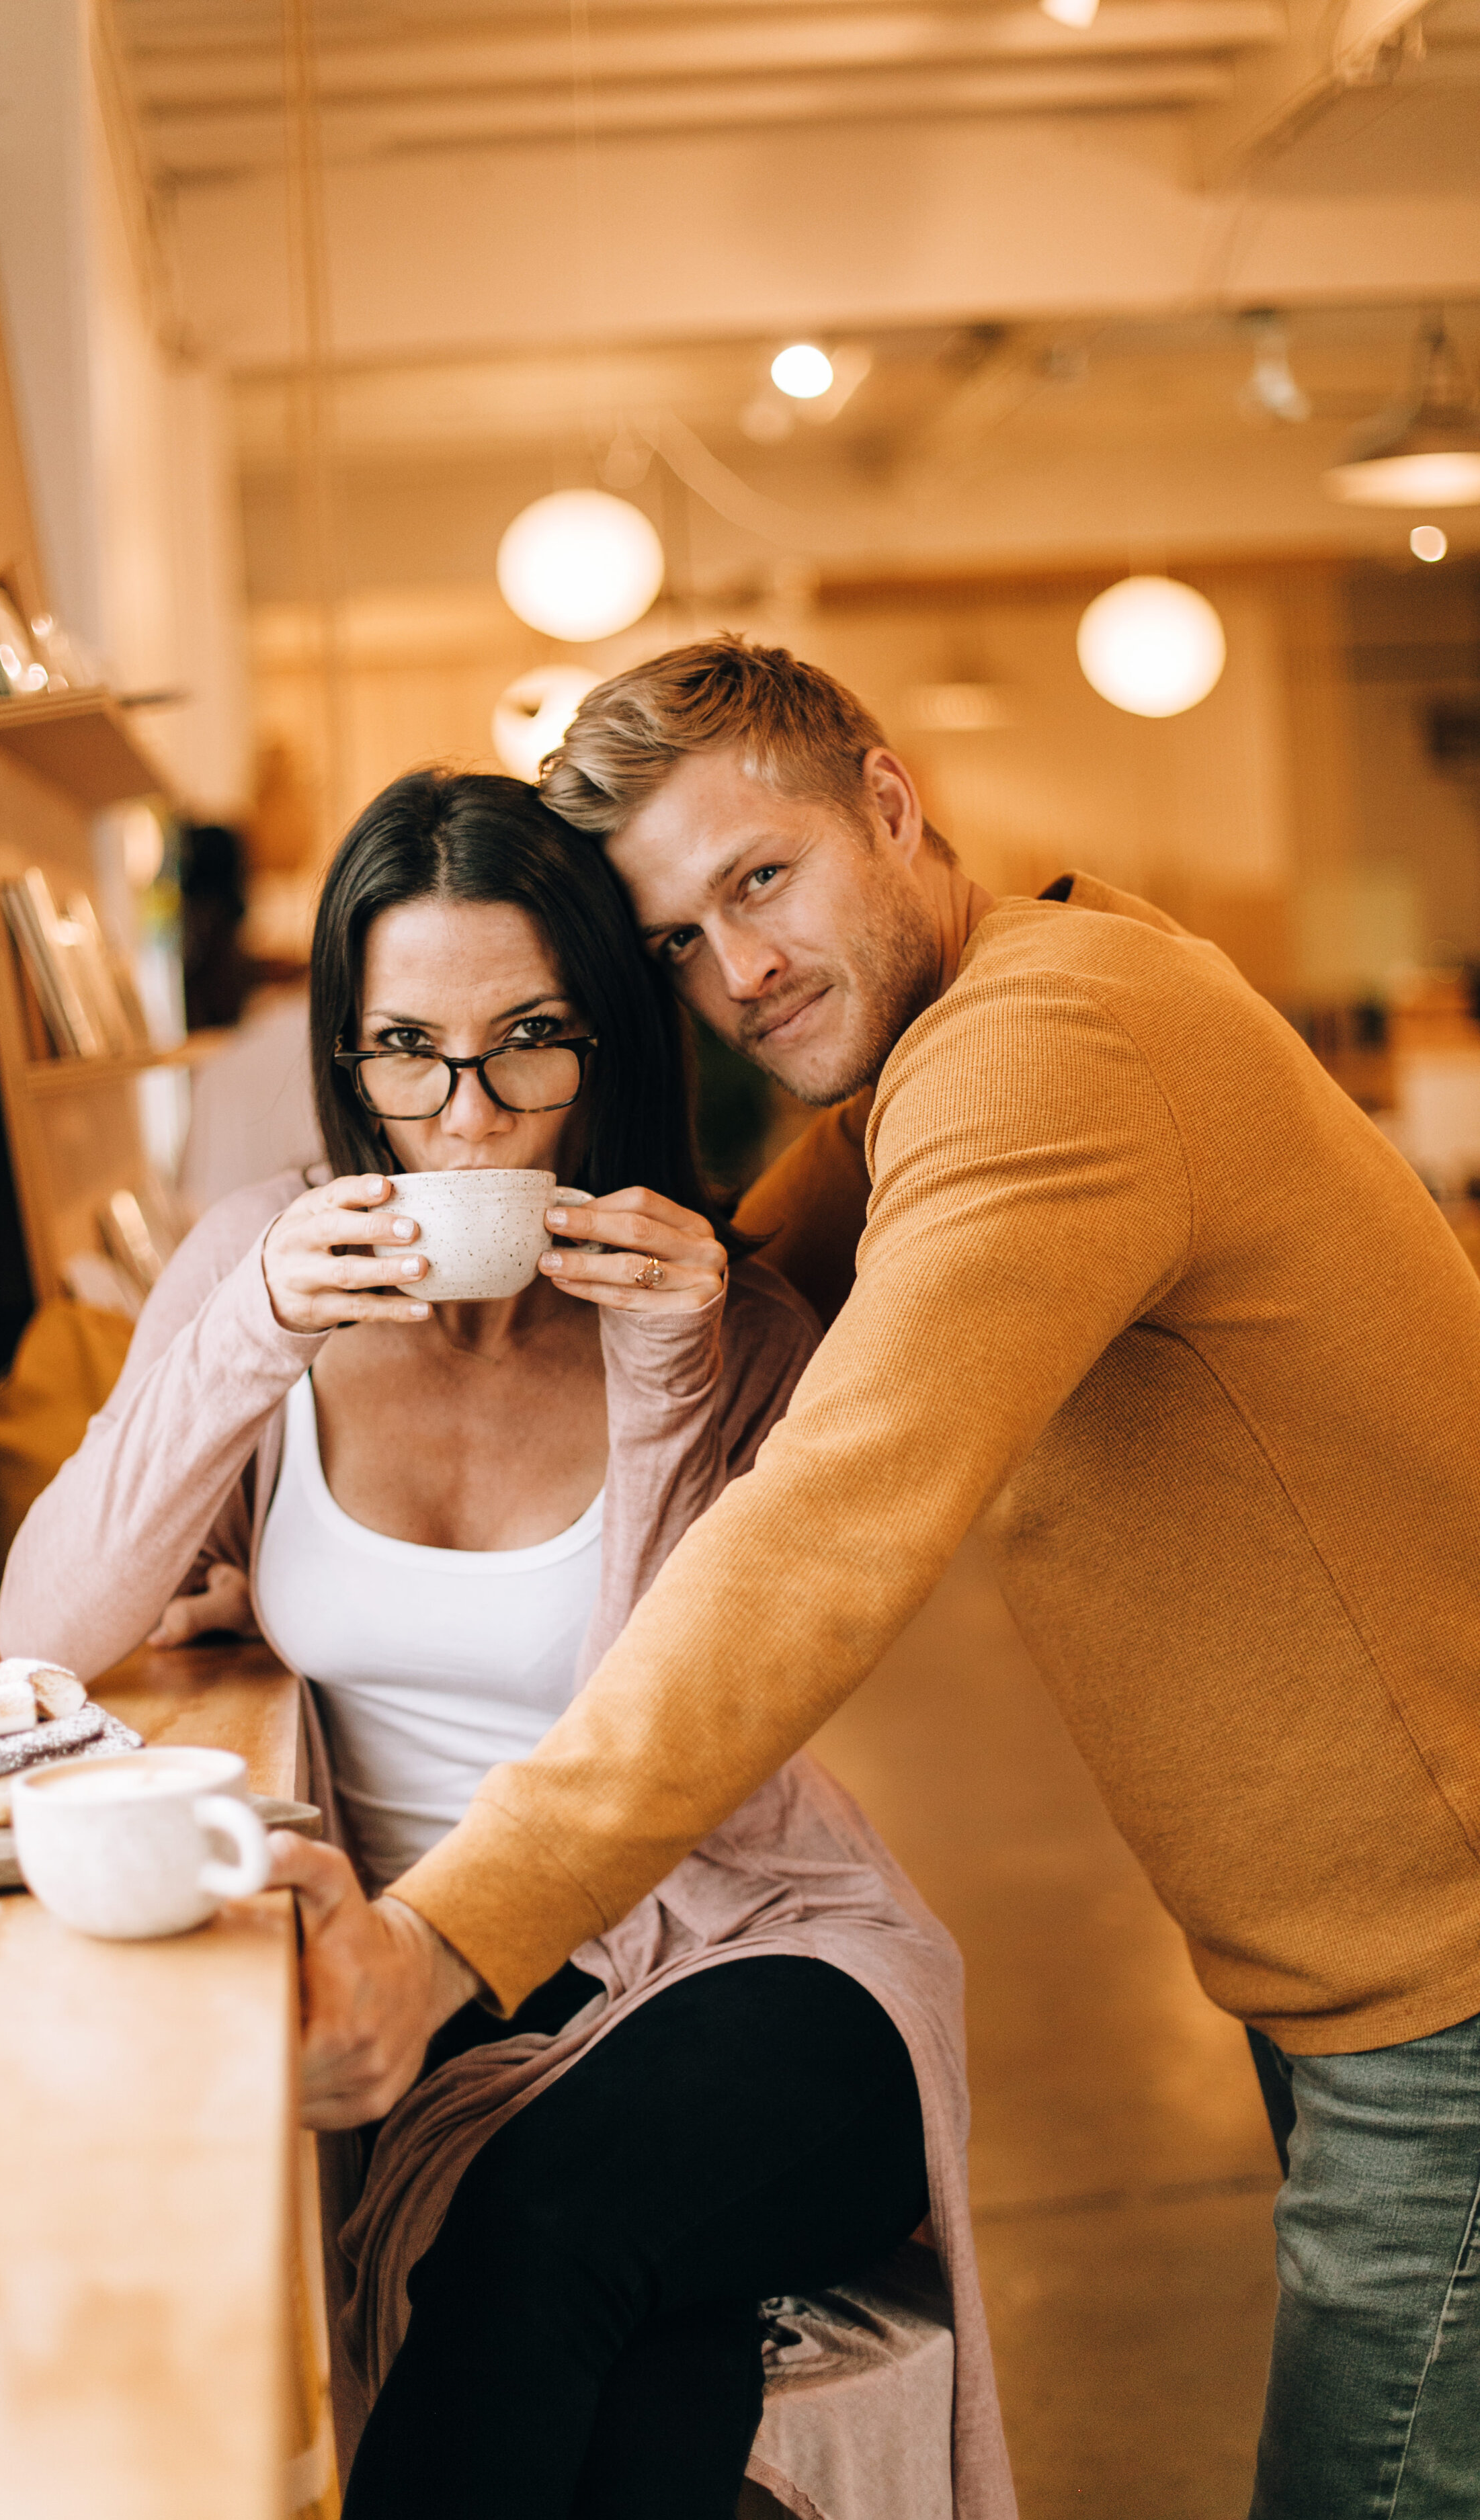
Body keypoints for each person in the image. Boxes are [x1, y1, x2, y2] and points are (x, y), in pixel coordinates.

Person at [311, 642, 1480, 2520]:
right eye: (676, 944)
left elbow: (824, 1526)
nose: (740, 970)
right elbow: (748, 1286)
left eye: (758, 879)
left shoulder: (1045, 1055)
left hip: (1452, 1990)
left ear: (885, 798)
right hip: (1366, 1983)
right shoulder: (964, 1036)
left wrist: (443, 1937)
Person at [0, 767, 1015, 2520]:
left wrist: (672, 1373)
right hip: (443, 1978)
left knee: (540, 2234)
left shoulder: (724, 1320)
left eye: (527, 1039)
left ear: (607, 1042)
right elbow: (47, 1636)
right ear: (347, 1052)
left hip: (752, 1950)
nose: (464, 1118)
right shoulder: (257, 1260)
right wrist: (246, 1332)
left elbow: (677, 1725)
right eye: (407, 1049)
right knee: (627, 2363)